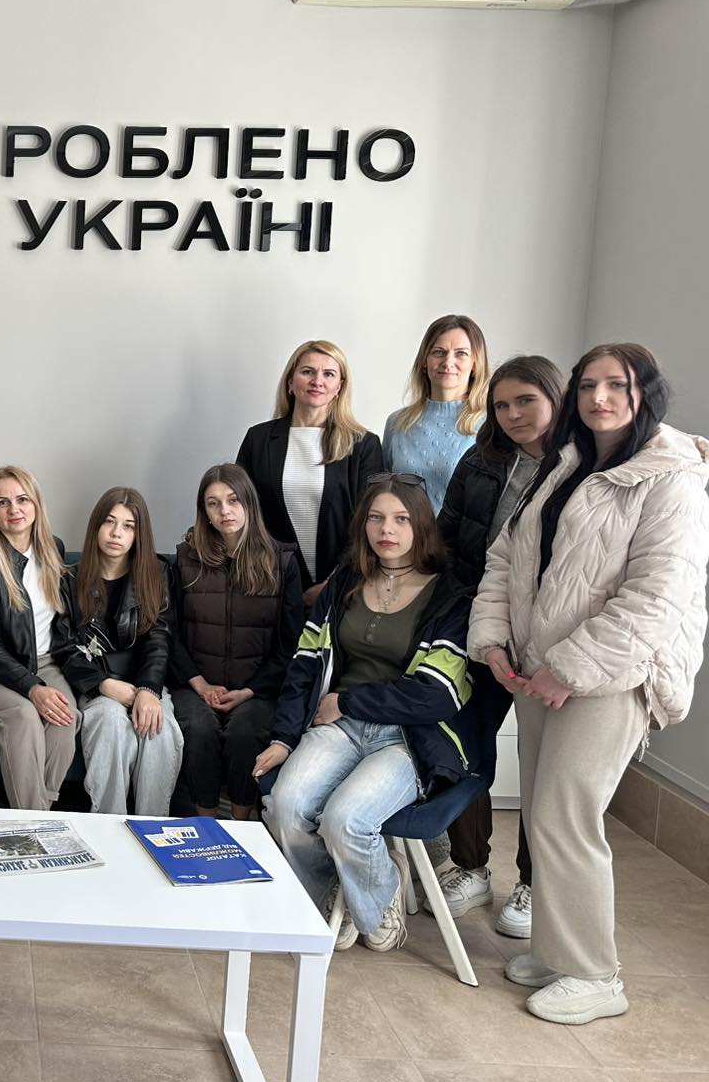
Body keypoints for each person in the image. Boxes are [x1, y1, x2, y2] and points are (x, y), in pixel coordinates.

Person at [470, 343, 709, 1025]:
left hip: (613, 677)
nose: (599, 398)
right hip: (539, 669)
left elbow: (657, 597)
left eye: (617, 385)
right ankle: (557, 949)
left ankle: (596, 975)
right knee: (543, 816)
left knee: (564, 816)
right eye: (588, 386)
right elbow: (508, 556)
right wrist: (494, 639)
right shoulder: (569, 463)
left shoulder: (673, 479)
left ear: (645, 392)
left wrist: (569, 668)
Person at [256, 475, 500, 953]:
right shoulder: (345, 582)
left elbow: (436, 696)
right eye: (376, 518)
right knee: (284, 807)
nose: (387, 529)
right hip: (339, 726)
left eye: (401, 519)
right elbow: (305, 664)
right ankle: (338, 891)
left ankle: (378, 896)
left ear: (421, 525)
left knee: (345, 820)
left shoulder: (452, 596)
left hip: (410, 738)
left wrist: (350, 701)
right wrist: (284, 737)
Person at [433, 355, 564, 935]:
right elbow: (446, 533)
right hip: (477, 623)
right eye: (502, 404)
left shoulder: (582, 467)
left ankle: (534, 883)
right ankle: (471, 866)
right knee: (463, 743)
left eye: (526, 401)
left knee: (541, 766)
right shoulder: (481, 459)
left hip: (547, 638)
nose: (512, 414)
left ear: (556, 398)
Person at [168, 464, 303, 821]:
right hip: (196, 684)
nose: (224, 511)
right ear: (204, 511)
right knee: (199, 729)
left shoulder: (282, 561)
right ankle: (206, 821)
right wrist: (199, 684)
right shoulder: (186, 559)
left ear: (248, 503)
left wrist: (249, 691)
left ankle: (242, 823)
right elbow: (170, 633)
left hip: (257, 689)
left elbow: (291, 645)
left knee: (246, 732)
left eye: (232, 500)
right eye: (213, 503)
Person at [0, 466, 79, 812]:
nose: (14, 510)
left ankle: (39, 815)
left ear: (36, 504)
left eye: (22, 499)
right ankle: (33, 822)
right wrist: (32, 688)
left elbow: (62, 624)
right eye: (2, 502)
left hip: (42, 661)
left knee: (65, 716)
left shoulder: (53, 549)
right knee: (23, 716)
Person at [54, 487, 180, 815]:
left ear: (139, 534)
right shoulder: (69, 579)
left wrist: (149, 690)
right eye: (109, 522)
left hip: (143, 682)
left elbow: (159, 639)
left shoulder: (156, 574)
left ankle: (152, 828)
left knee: (158, 727)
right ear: (96, 526)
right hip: (96, 686)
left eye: (128, 526)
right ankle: (108, 826)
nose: (116, 533)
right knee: (110, 721)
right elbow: (63, 647)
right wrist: (103, 685)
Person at [236, 339, 382, 607]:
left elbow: (371, 522)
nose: (318, 381)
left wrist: (334, 584)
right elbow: (242, 513)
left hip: (342, 589)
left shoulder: (364, 445)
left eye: (329, 374)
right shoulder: (258, 440)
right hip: (271, 584)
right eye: (307, 371)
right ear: (290, 383)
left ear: (339, 387)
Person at [382, 314, 491, 514]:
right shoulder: (397, 423)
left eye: (461, 354)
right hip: (403, 534)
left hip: (460, 535)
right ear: (425, 361)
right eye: (439, 352)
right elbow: (382, 495)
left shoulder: (489, 425)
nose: (448, 362)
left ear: (475, 363)